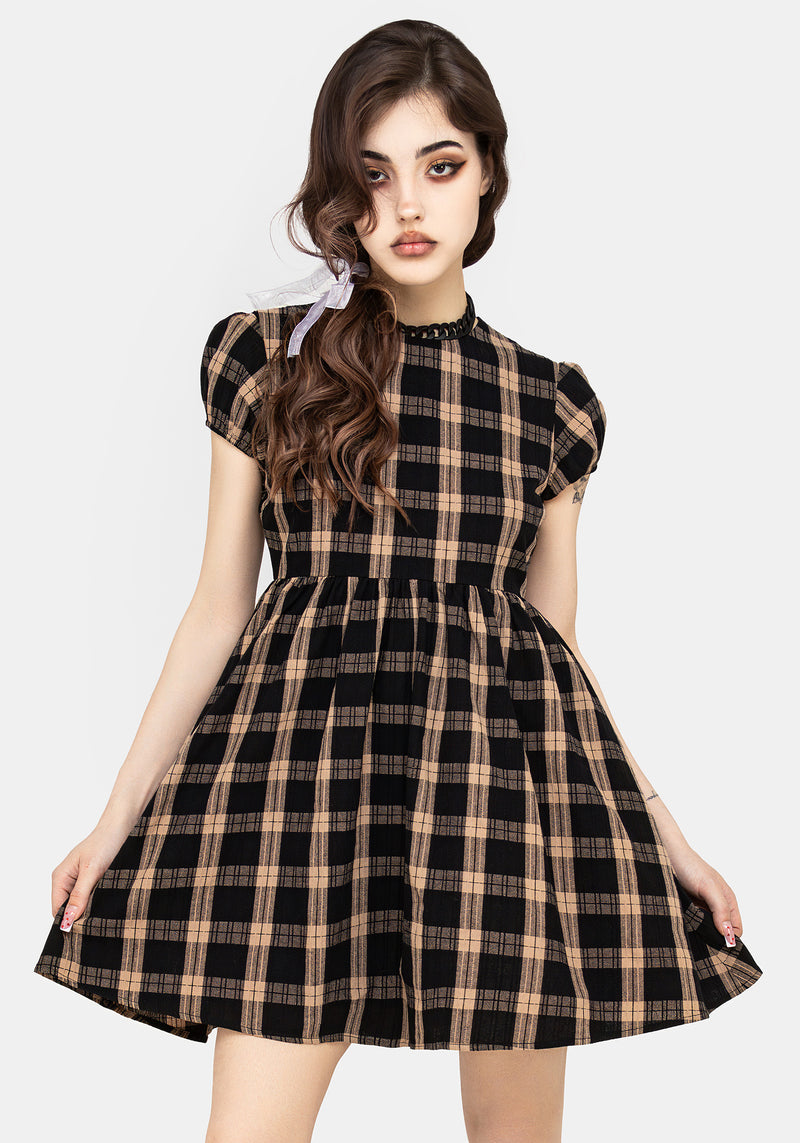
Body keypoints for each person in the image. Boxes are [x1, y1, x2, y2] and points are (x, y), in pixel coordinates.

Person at [33, 18, 763, 1143]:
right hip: (298, 793)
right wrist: (111, 819)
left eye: (440, 166)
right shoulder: (266, 359)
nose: (408, 206)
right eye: (372, 174)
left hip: (497, 799)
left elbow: (555, 655)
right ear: (339, 189)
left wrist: (668, 838)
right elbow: (218, 609)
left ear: (488, 176)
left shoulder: (550, 404)